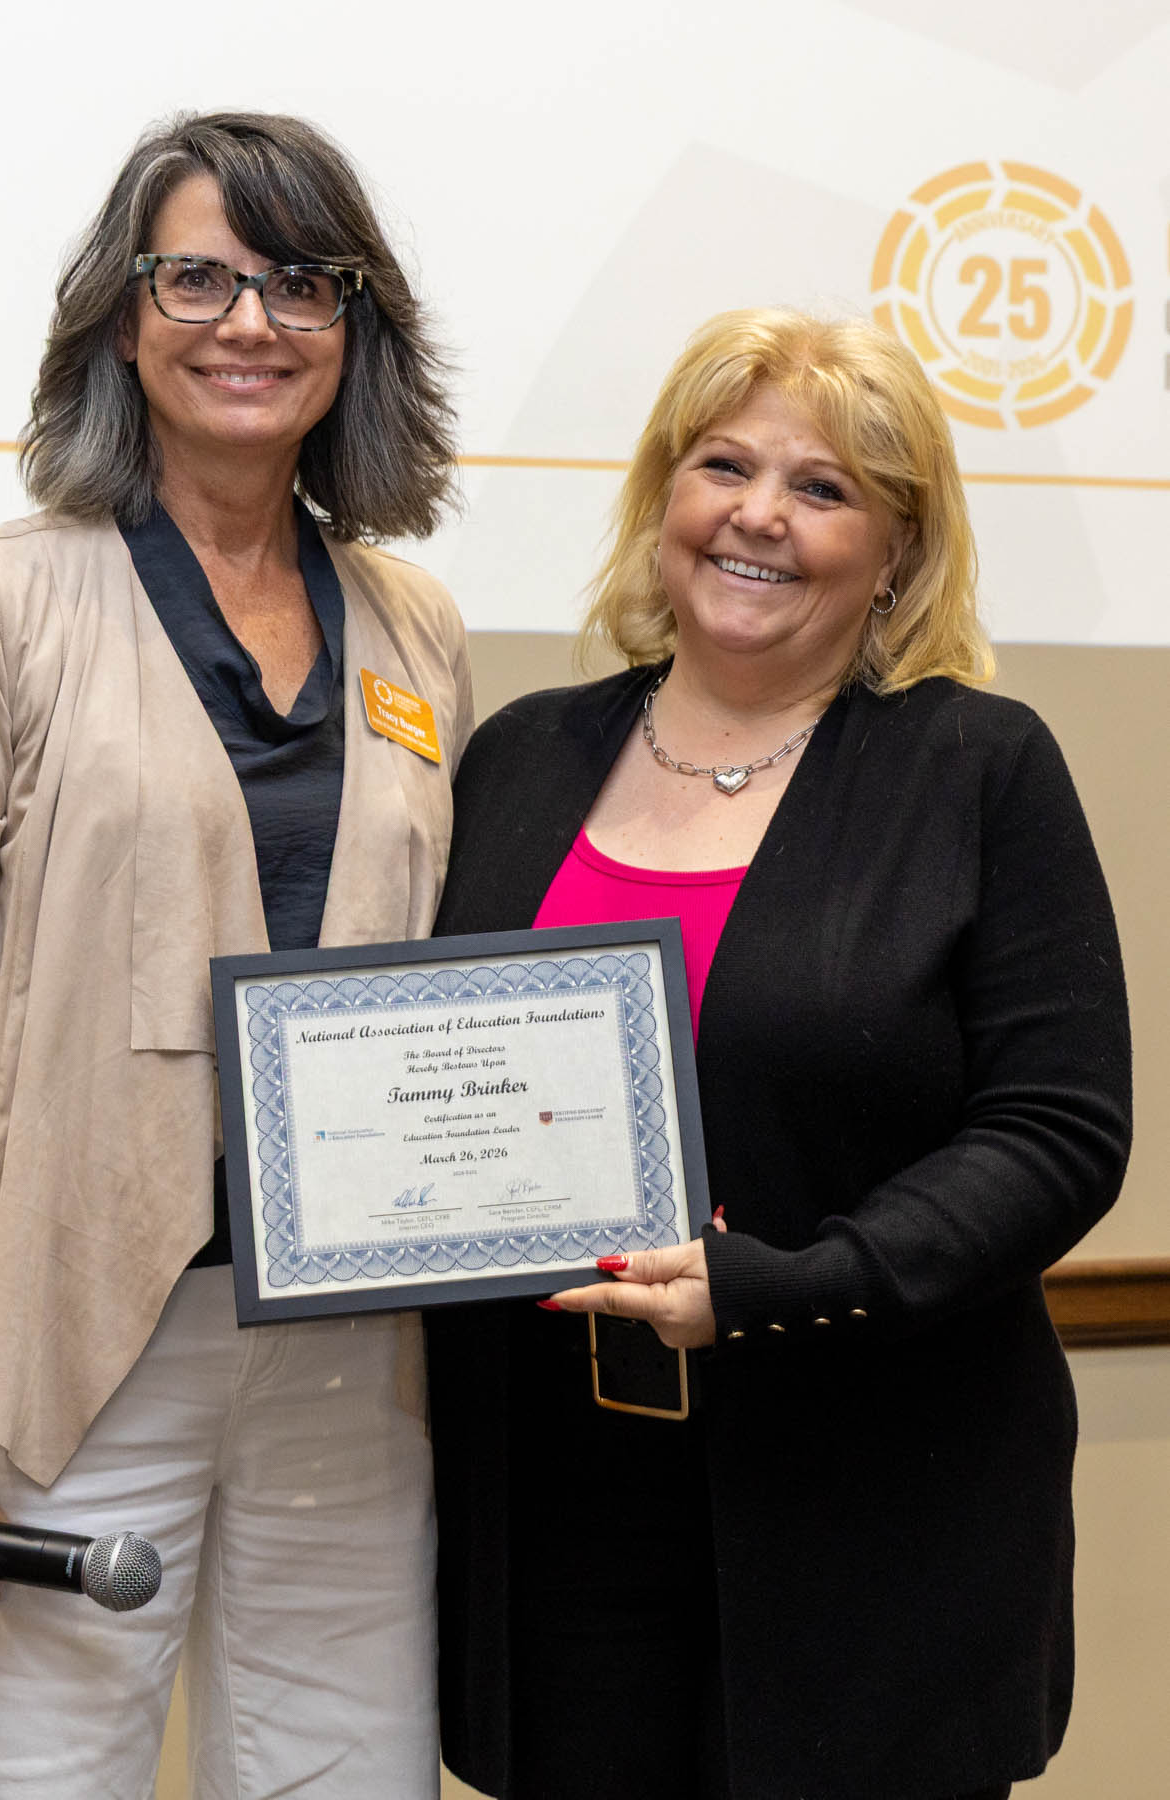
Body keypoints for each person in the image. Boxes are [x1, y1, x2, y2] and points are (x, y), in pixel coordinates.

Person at [0, 110, 472, 1799]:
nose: (251, 322)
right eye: (200, 279)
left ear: (356, 329)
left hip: (346, 1355)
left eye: (301, 284)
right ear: (123, 316)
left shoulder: (416, 628)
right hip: (65, 1347)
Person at [426, 308, 1132, 1800]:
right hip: (554, 1505)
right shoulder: (522, 757)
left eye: (824, 489)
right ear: (663, 497)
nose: (759, 515)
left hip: (872, 1506)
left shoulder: (977, 768)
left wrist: (791, 1286)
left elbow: (1058, 1131)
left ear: (898, 550)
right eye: (724, 466)